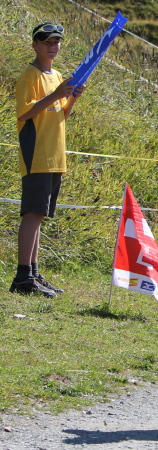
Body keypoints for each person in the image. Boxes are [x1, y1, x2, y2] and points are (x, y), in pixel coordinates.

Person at [10, 22, 85, 298]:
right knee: (32, 214)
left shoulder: (57, 76)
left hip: (55, 155)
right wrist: (56, 94)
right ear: (35, 45)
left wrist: (71, 98)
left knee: (39, 215)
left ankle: (33, 272)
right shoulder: (29, 75)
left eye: (56, 42)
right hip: (37, 154)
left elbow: (60, 114)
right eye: (47, 42)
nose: (53, 46)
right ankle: (22, 277)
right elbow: (24, 113)